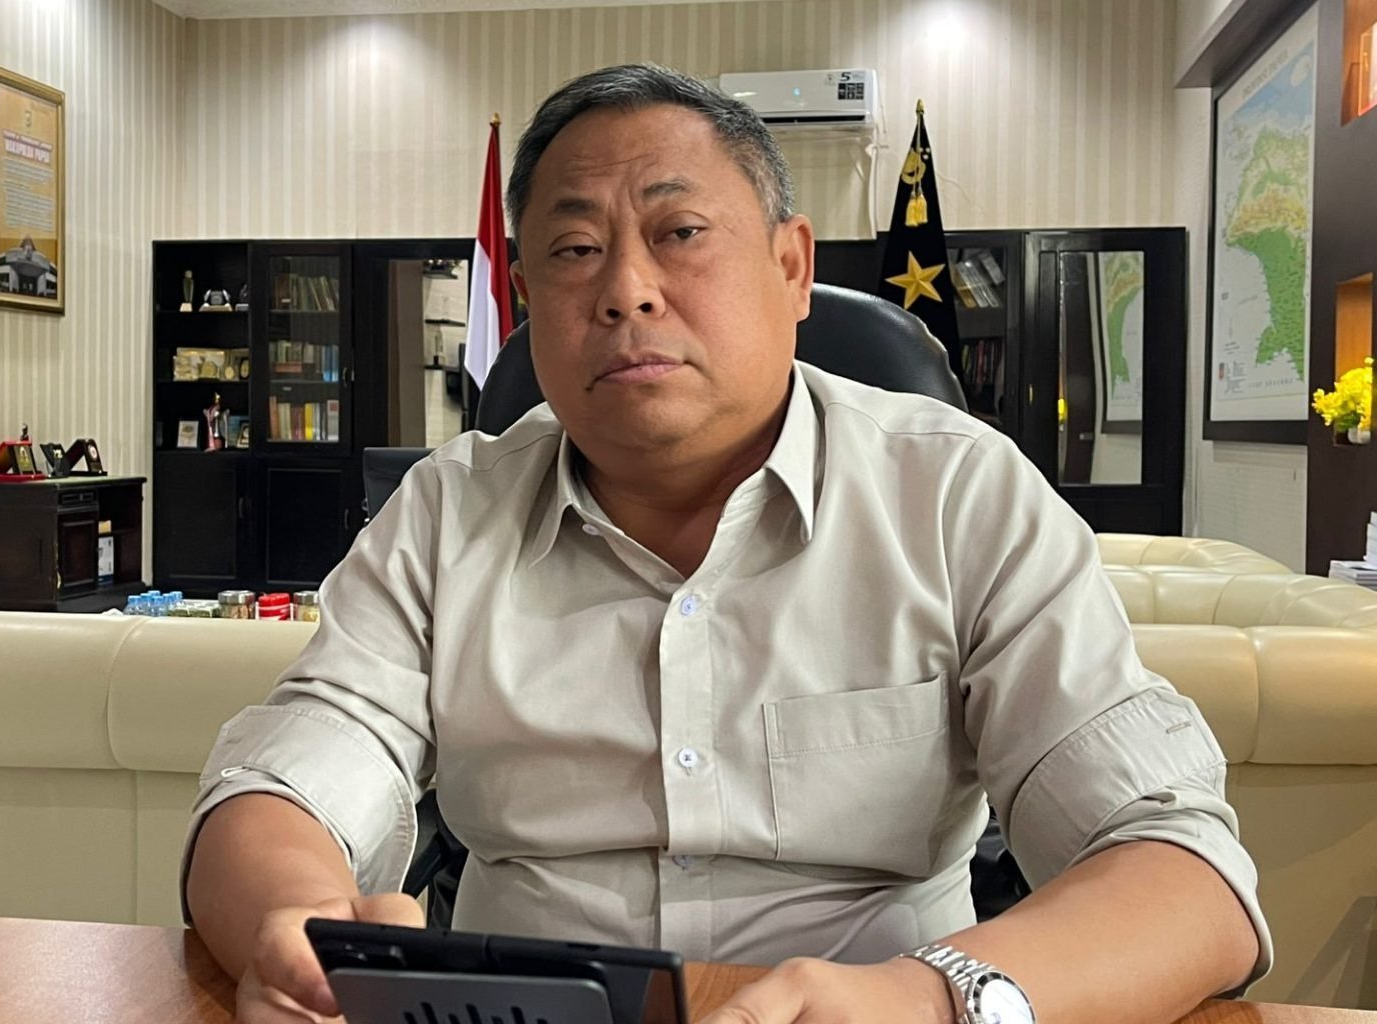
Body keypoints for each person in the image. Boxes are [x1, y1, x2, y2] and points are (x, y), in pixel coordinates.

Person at [185, 64, 1269, 1024]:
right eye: (574, 250)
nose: (626, 290)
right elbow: (283, 778)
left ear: (792, 267)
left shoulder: (957, 494)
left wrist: (934, 998)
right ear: (524, 300)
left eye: (680, 233)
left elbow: (1185, 870)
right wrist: (292, 922)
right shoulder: (446, 511)